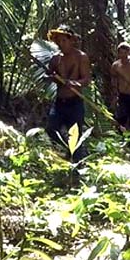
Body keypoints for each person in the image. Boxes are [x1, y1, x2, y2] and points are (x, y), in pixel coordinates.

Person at [44, 25, 92, 162]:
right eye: (58, 41)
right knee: (51, 130)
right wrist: (51, 77)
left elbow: (86, 79)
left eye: (64, 40)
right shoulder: (55, 58)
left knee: (75, 136)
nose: (61, 44)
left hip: (75, 103)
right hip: (59, 103)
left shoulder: (81, 57)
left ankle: (77, 167)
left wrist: (73, 83)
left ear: (71, 41)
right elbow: (48, 75)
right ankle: (67, 150)